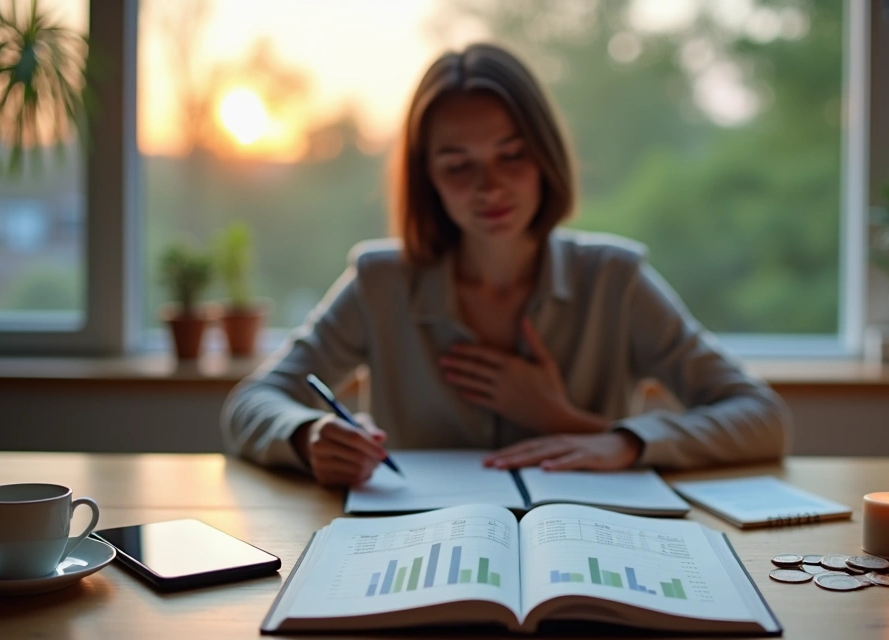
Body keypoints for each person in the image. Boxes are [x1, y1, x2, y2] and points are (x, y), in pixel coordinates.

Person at [221, 43, 791, 487]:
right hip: (420, 550)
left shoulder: (615, 280)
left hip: (586, 546)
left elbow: (762, 417)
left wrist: (591, 430)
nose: (490, 187)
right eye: (458, 165)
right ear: (428, 178)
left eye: (512, 156)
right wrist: (308, 436)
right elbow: (250, 404)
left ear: (544, 158)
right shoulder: (381, 282)